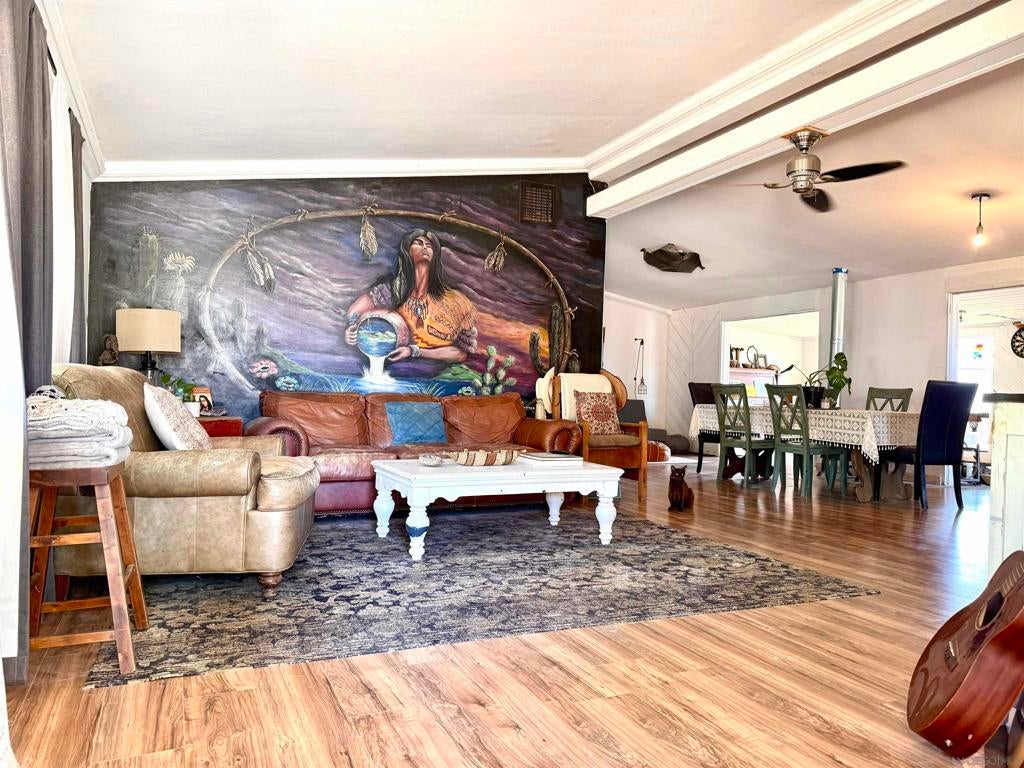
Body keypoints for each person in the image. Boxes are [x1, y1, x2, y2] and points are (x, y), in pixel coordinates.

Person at [344, 229, 477, 362]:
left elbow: (461, 354)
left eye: (429, 245)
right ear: (407, 251)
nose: (425, 247)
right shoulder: (392, 291)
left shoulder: (455, 300)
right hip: (395, 368)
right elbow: (356, 310)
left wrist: (413, 351)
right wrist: (352, 327)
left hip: (437, 371)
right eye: (418, 243)